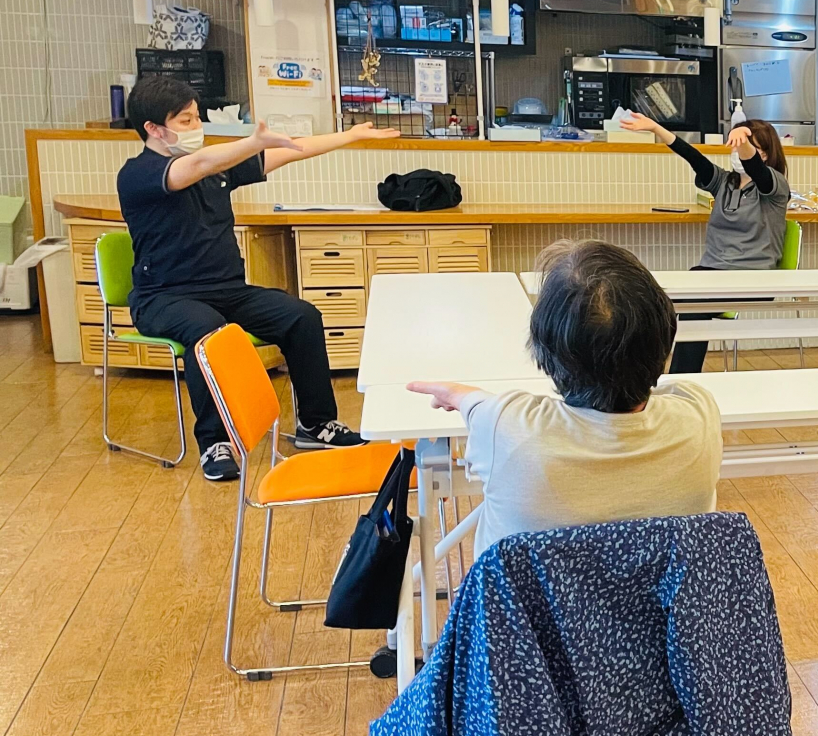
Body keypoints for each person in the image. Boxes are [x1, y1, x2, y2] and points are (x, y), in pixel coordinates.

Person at [115, 74, 399, 482]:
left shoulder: (216, 169)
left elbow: (291, 151)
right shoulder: (138, 175)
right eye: (185, 121)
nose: (196, 127)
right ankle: (215, 442)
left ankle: (316, 424)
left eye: (197, 118)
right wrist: (251, 141)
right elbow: (195, 165)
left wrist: (349, 135)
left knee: (301, 317)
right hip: (163, 298)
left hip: (228, 291)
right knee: (208, 330)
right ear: (153, 129)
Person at [407, 240, 722, 555]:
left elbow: (477, 405)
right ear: (666, 338)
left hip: (527, 592)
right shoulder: (699, 414)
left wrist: (459, 395)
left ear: (543, 353)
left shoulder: (505, 426)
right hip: (661, 591)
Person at [618, 110, 790, 374]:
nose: (737, 150)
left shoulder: (774, 186)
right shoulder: (724, 182)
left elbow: (756, 169)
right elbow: (694, 157)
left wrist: (743, 137)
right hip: (712, 272)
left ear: (765, 154)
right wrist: (656, 128)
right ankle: (640, 372)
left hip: (753, 276)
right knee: (654, 300)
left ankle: (681, 379)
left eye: (744, 146)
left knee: (694, 306)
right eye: (734, 144)